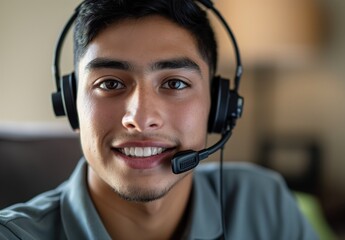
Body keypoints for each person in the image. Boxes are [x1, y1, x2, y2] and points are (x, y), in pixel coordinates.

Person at [0, 0, 318, 239]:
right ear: (71, 104)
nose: (141, 118)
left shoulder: (264, 204)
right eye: (109, 84)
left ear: (220, 106)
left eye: (175, 83)